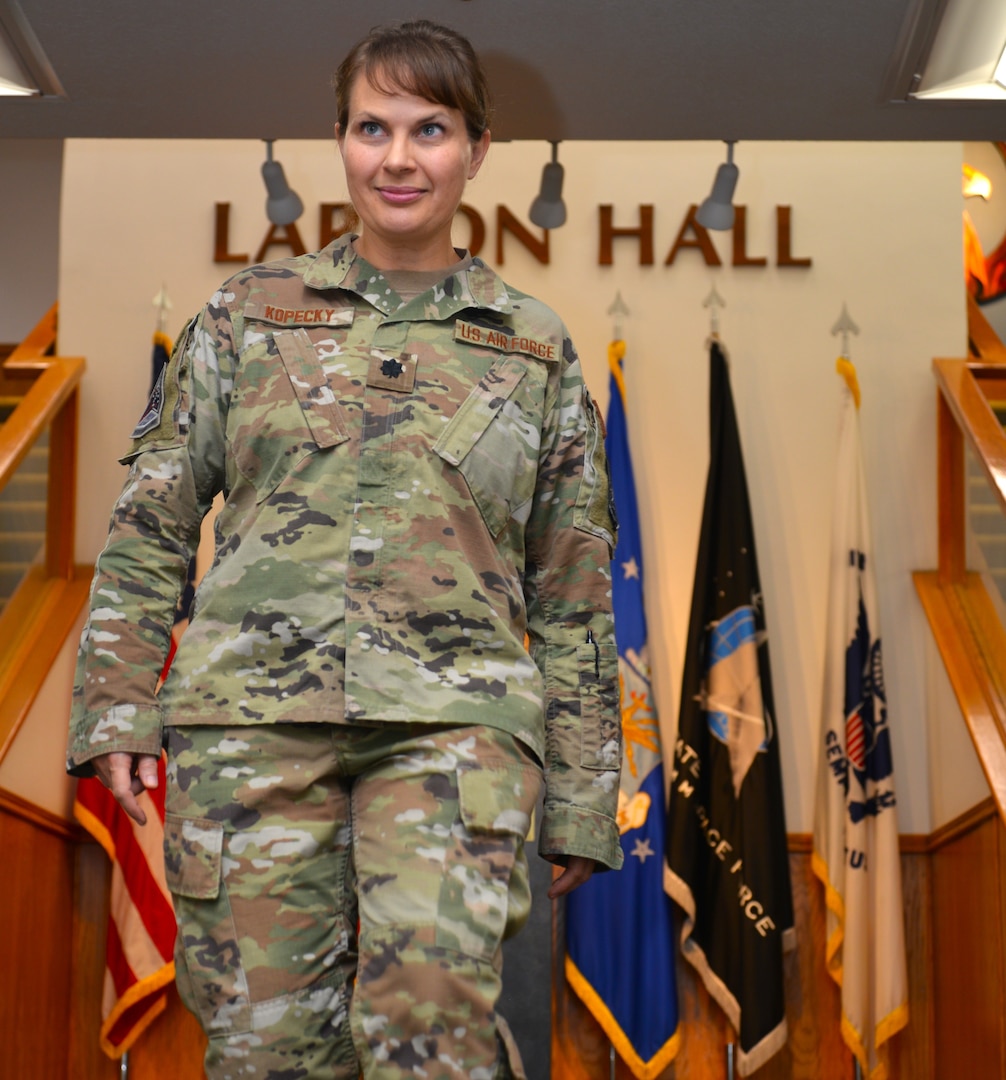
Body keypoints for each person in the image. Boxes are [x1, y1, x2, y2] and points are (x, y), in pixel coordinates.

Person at [68, 19, 622, 1080]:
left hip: (455, 732)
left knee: (432, 1037)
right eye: (374, 127)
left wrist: (585, 797)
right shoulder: (245, 317)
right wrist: (119, 705)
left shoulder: (534, 345)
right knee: (264, 1050)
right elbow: (150, 523)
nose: (399, 157)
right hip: (251, 727)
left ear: (477, 149)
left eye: (430, 128)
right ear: (340, 140)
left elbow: (572, 588)